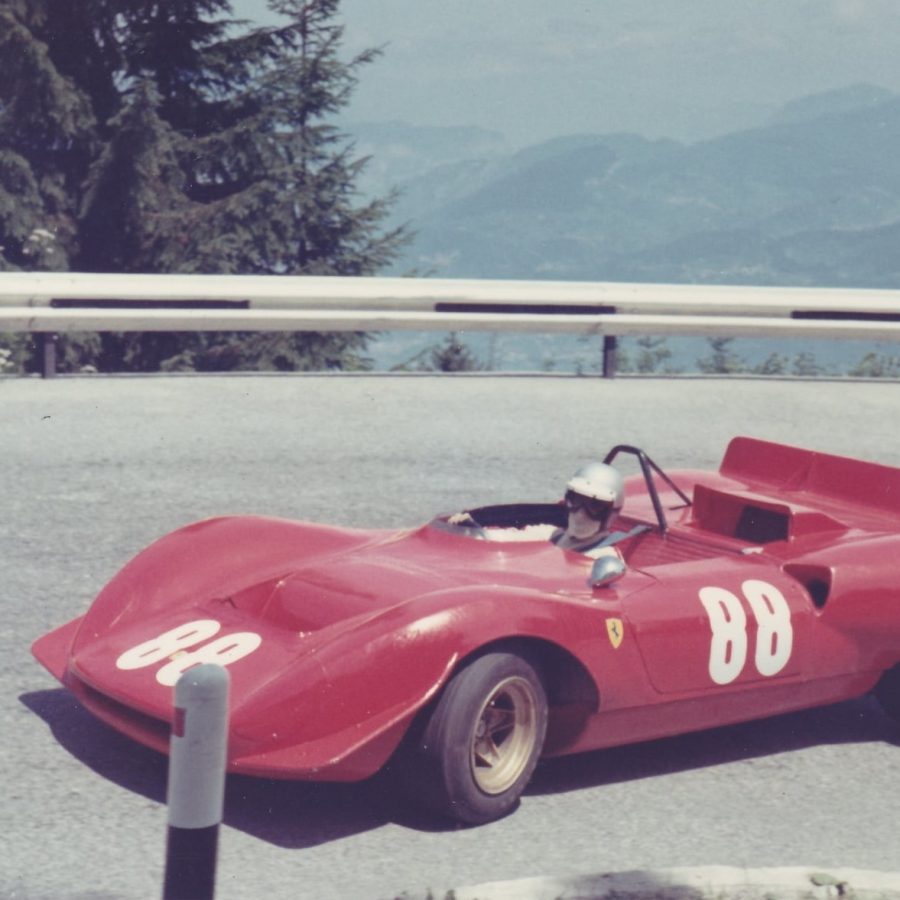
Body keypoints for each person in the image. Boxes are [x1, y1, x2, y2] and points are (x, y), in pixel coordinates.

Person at [551, 461, 625, 558]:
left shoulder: (603, 558)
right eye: (576, 501)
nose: (580, 515)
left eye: (594, 507)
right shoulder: (557, 535)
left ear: (609, 514)